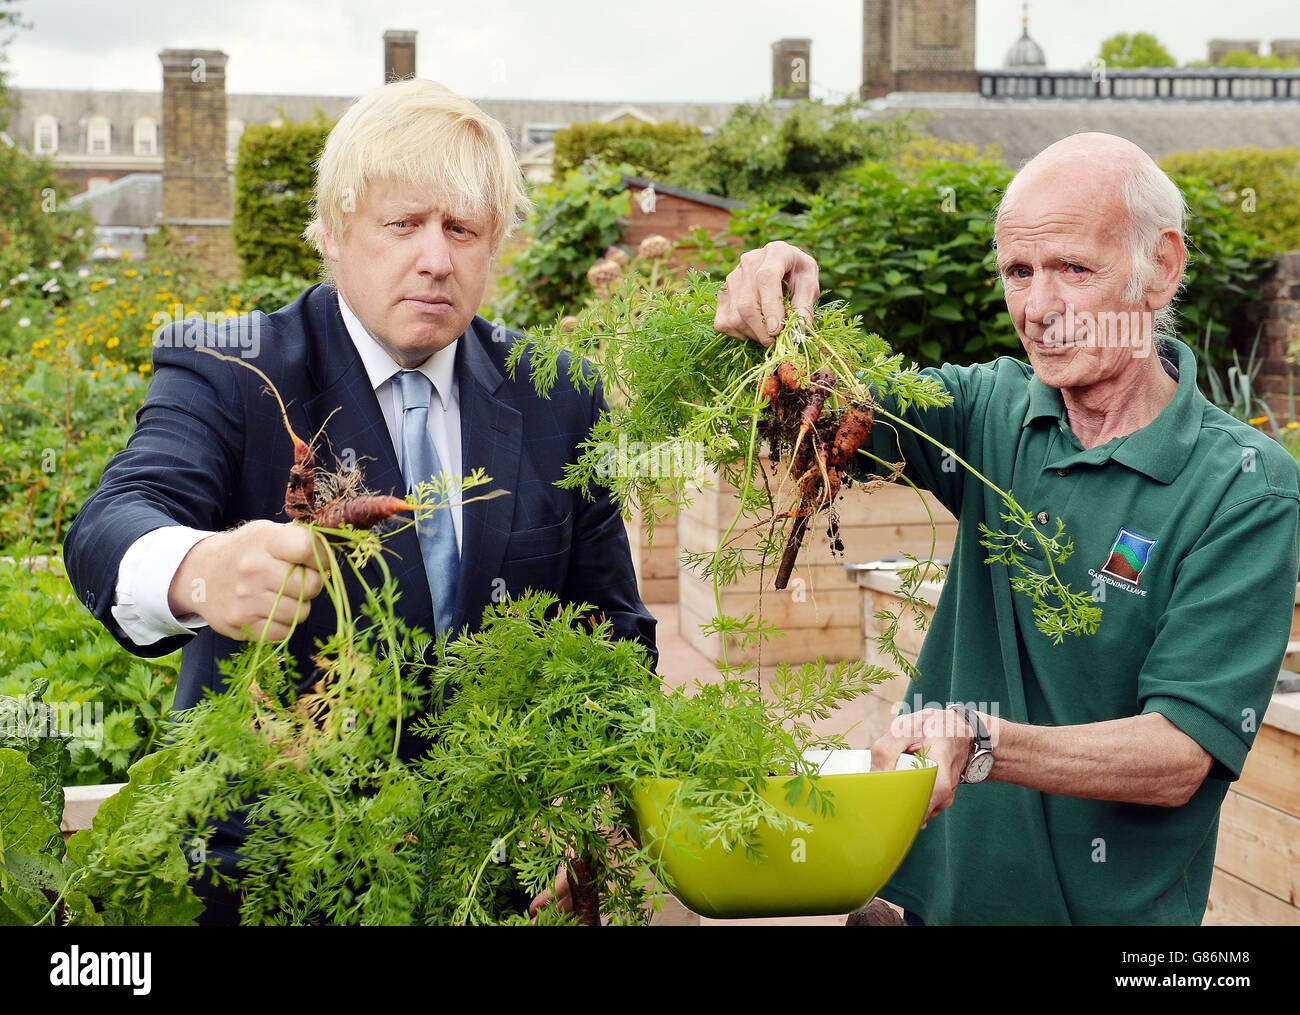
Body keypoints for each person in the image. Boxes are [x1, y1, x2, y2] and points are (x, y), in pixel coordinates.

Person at [63, 78, 656, 923]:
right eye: (404, 223)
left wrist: (592, 802)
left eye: (462, 228)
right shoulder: (231, 368)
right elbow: (111, 520)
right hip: (278, 872)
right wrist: (197, 567)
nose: (435, 258)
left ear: (493, 246)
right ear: (335, 235)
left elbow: (614, 632)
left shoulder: (558, 393)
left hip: (496, 881)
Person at [715, 132, 1300, 925]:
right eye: (1018, 272)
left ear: (1161, 266)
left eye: (1073, 269)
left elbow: (1178, 756)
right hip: (914, 901)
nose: (1036, 307)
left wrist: (983, 740)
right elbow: (823, 403)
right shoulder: (990, 410)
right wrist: (774, 296)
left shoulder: (1243, 488)